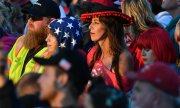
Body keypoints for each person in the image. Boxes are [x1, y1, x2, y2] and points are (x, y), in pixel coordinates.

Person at [80, 2, 134, 92]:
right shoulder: (92, 53)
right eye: (91, 23)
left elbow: (124, 96)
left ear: (109, 27)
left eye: (96, 23)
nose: (90, 27)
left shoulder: (123, 58)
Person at [7, 0, 60, 84]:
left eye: (35, 17)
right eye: (29, 16)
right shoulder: (21, 41)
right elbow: (5, 70)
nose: (29, 21)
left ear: (51, 22)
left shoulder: (54, 50)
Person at [121, 0, 161, 70]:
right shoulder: (127, 34)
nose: (122, 16)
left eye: (123, 12)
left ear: (130, 14)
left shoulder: (153, 35)